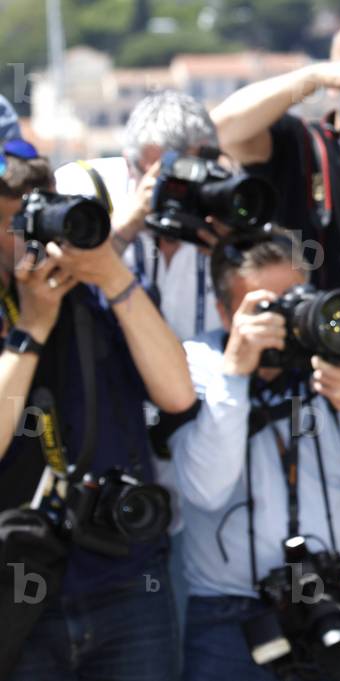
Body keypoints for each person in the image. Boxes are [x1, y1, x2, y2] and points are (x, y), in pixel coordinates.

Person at [167, 233, 340, 681]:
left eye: (298, 300)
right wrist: (235, 377)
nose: (288, 320)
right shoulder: (197, 363)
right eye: (268, 308)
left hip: (339, 603)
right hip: (234, 619)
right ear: (226, 312)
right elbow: (205, 490)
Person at [0, 144, 196, 680]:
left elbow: (178, 394)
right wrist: (32, 328)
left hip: (124, 579)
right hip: (19, 587)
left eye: (24, 220)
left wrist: (112, 276)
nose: (14, 239)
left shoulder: (106, 293)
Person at [212, 17, 340, 287]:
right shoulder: (299, 145)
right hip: (313, 323)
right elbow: (220, 130)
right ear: (335, 81)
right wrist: (313, 77)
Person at [54, 90, 225, 342]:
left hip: (205, 376)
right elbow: (58, 287)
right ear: (128, 163)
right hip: (109, 375)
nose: (174, 190)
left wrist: (232, 251)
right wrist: (125, 226)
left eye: (187, 173)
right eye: (160, 175)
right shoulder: (85, 189)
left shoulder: (229, 198)